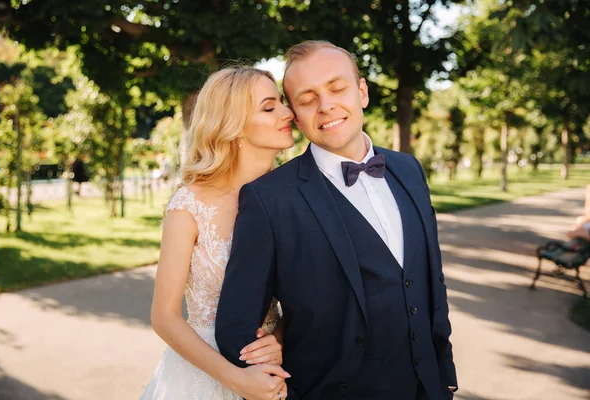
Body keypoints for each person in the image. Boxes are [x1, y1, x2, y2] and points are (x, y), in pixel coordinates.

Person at [216, 41, 458, 399]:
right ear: (295, 116)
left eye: (337, 87)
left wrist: (444, 374)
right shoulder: (269, 199)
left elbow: (430, 281)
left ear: (362, 91)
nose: (326, 105)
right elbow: (235, 328)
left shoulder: (409, 169)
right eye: (308, 98)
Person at [140, 67, 295, 400]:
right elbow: (164, 317)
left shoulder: (291, 197)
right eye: (270, 107)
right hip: (204, 374)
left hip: (274, 371)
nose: (289, 112)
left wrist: (280, 339)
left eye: (282, 102)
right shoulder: (190, 206)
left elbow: (308, 295)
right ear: (233, 125)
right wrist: (235, 380)